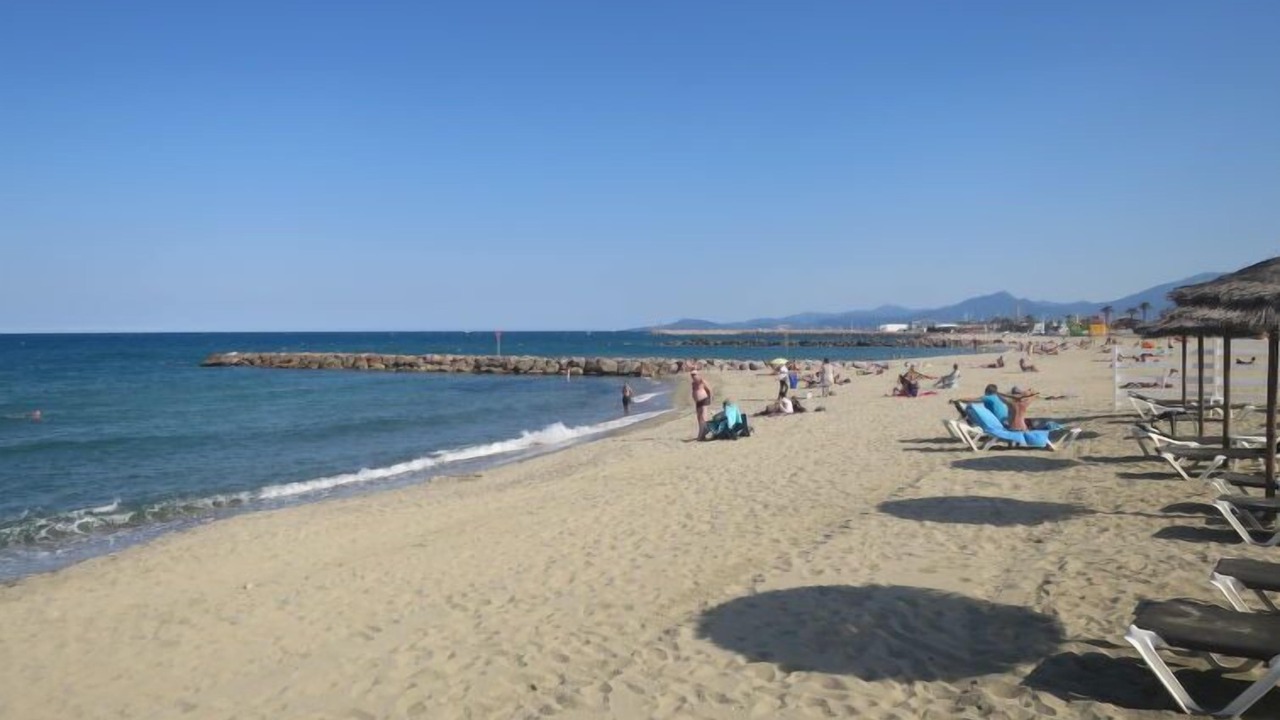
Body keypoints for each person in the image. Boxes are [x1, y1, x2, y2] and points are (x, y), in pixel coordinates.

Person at [690, 370, 713, 439]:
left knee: (703, 417)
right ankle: (701, 434)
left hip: (704, 400)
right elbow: (694, 391)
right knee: (699, 418)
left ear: (698, 375)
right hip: (698, 402)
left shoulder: (702, 381)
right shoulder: (693, 383)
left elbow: (710, 390)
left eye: (695, 375)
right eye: (692, 375)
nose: (693, 376)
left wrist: (710, 399)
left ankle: (704, 433)